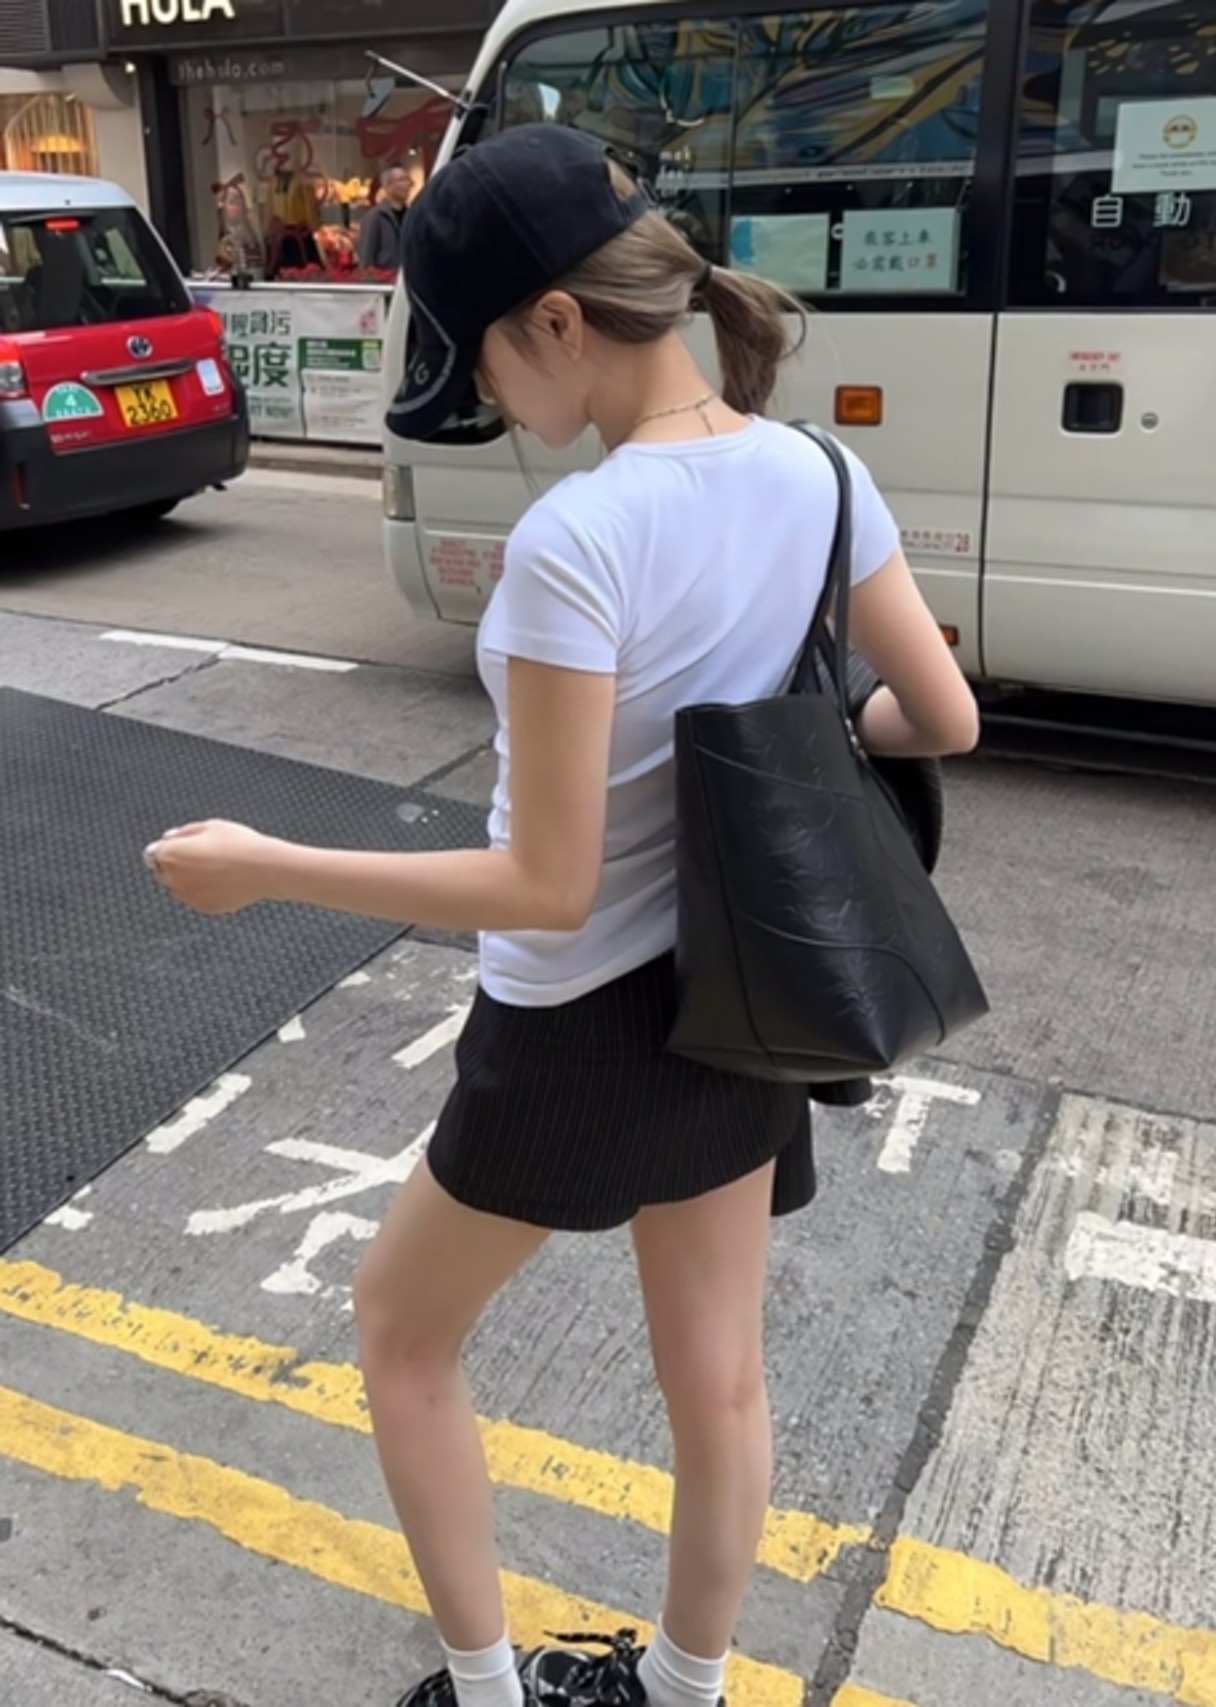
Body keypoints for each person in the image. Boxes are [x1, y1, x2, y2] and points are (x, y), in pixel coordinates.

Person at [146, 124, 978, 1707]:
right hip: (751, 995)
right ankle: (683, 1688)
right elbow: (941, 716)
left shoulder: (577, 539)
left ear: (553, 321)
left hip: (576, 1023)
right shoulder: (821, 473)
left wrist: (269, 861)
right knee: (718, 1381)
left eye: (476, 355)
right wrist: (805, 734)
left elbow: (547, 883)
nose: (482, 395)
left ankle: (485, 1686)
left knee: (400, 1329)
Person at [359, 163, 414, 271]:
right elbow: (366, 258)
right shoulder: (375, 217)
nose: (407, 185)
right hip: (385, 279)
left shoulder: (411, 215)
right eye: (401, 180)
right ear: (387, 185)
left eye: (408, 180)